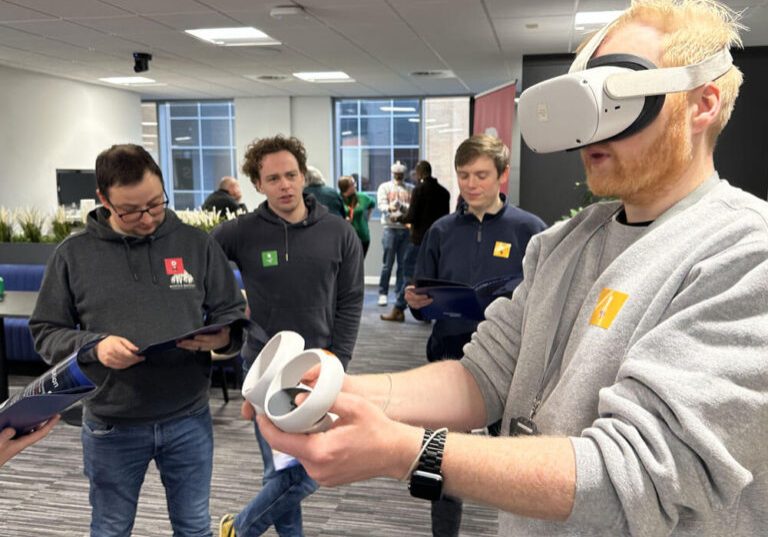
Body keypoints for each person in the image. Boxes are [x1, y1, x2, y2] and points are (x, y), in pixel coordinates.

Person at [256, 2, 768, 536]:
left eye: (619, 98)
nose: (591, 131)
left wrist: (405, 451)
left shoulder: (746, 254)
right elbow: (482, 377)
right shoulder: (561, 244)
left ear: (702, 103)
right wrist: (340, 392)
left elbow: (635, 476)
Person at [29, 144, 247, 537]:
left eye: (155, 204)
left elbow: (230, 314)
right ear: (103, 200)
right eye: (131, 210)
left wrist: (223, 335)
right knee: (111, 528)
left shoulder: (197, 244)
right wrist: (95, 347)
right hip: (111, 423)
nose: (147, 218)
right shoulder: (73, 255)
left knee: (194, 527)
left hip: (189, 417)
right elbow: (45, 332)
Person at [212, 135, 364, 537]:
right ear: (258, 184)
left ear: (303, 177)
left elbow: (350, 301)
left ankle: (238, 529)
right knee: (283, 467)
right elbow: (201, 268)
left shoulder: (338, 232)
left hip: (322, 366)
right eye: (273, 178)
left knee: (314, 469)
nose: (284, 185)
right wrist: (228, 312)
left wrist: (338, 361)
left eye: (291, 175)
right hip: (265, 368)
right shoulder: (241, 231)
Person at [404, 138, 546, 537]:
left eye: (481, 175)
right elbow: (420, 303)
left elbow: (546, 300)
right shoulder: (441, 230)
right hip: (450, 355)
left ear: (502, 176)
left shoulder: (531, 230)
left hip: (510, 362)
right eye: (464, 175)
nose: (470, 184)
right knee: (443, 461)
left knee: (514, 464)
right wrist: (416, 302)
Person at [381, 160, 451, 322]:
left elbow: (412, 216)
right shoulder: (444, 192)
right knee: (430, 277)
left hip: (418, 240)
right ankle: (426, 311)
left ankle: (398, 308)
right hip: (438, 241)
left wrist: (398, 218)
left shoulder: (419, 190)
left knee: (409, 275)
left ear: (419, 173)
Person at [376, 161, 413, 307]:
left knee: (403, 265)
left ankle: (399, 294)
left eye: (401, 174)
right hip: (390, 228)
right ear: (392, 174)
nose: (398, 176)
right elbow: (381, 204)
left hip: (405, 229)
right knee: (387, 264)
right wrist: (389, 207)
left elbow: (413, 207)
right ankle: (382, 293)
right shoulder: (385, 187)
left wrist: (402, 206)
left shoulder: (410, 189)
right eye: (396, 174)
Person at [338, 175, 375, 257]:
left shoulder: (362, 197)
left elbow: (372, 203)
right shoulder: (338, 199)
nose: (355, 185)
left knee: (359, 265)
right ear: (345, 187)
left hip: (362, 236)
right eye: (353, 184)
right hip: (345, 238)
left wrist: (367, 217)